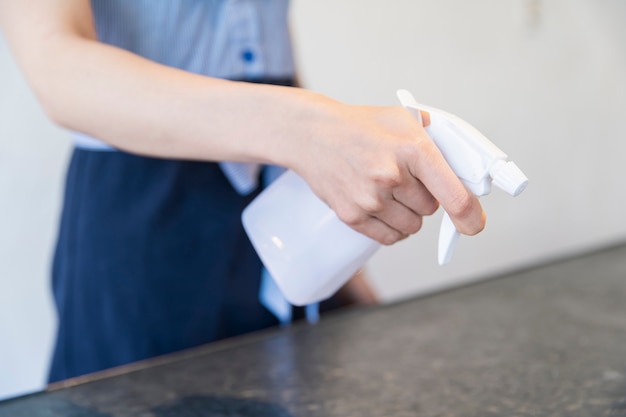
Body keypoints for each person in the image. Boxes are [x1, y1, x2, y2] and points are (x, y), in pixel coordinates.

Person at [0, 0, 486, 383]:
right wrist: (307, 129)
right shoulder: (295, 130)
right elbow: (56, 68)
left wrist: (346, 272)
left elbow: (263, 56)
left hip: (280, 191)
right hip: (144, 213)